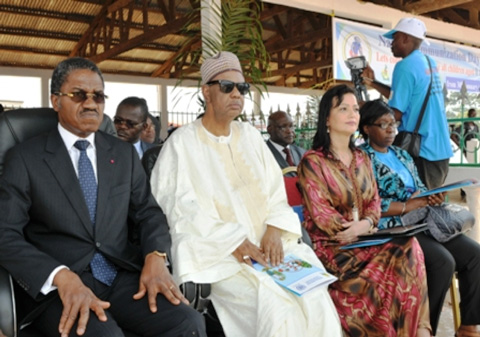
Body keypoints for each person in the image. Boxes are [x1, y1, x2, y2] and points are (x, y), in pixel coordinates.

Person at [0, 57, 206, 337]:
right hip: (60, 287)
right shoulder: (25, 158)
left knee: (188, 323)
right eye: (78, 95)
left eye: (98, 95)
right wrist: (60, 276)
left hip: (120, 276)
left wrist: (155, 256)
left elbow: (148, 212)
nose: (90, 103)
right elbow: (5, 233)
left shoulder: (121, 154)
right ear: (56, 100)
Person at [150, 51, 342, 337]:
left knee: (316, 300)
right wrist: (233, 241)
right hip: (222, 255)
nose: (236, 94)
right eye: (226, 87)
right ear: (206, 92)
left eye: (242, 88)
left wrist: (276, 230)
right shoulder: (182, 143)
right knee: (276, 308)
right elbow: (179, 210)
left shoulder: (251, 136)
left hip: (271, 247)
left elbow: (276, 194)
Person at [297, 84, 431, 337]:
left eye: (355, 109)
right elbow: (321, 213)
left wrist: (366, 225)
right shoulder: (313, 161)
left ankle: (417, 332)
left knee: (409, 246)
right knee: (402, 254)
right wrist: (354, 229)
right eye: (343, 108)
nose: (352, 114)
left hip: (366, 238)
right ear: (327, 117)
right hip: (333, 247)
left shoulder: (361, 157)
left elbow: (374, 201)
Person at [359, 99, 480, 337]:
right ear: (366, 129)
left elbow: (420, 188)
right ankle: (424, 331)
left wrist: (432, 197)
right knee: (442, 262)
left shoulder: (402, 155)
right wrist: (406, 206)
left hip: (425, 221)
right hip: (392, 228)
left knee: (475, 254)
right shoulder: (361, 159)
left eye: (393, 124)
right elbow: (365, 204)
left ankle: (469, 327)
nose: (390, 130)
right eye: (382, 125)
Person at [362, 17, 452, 189]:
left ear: (405, 38)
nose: (391, 43)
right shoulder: (428, 62)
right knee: (429, 202)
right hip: (440, 149)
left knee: (419, 206)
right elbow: (405, 96)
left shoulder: (404, 66)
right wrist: (373, 83)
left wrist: (364, 109)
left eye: (394, 38)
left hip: (422, 151)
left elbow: (394, 114)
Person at [266, 110, 306, 176]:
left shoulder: (302, 153)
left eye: (291, 126)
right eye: (283, 127)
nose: (289, 131)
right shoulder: (263, 154)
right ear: (270, 129)